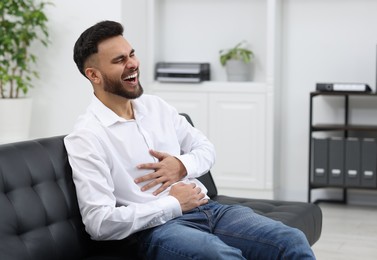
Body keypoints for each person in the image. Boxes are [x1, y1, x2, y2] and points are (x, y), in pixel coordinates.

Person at [65, 20, 316, 260]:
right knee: (221, 256)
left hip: (209, 209)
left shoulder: (156, 107)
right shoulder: (87, 136)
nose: (133, 64)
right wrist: (174, 204)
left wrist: (181, 165)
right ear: (94, 75)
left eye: (132, 54)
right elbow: (99, 223)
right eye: (120, 60)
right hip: (156, 229)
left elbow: (206, 149)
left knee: (290, 240)